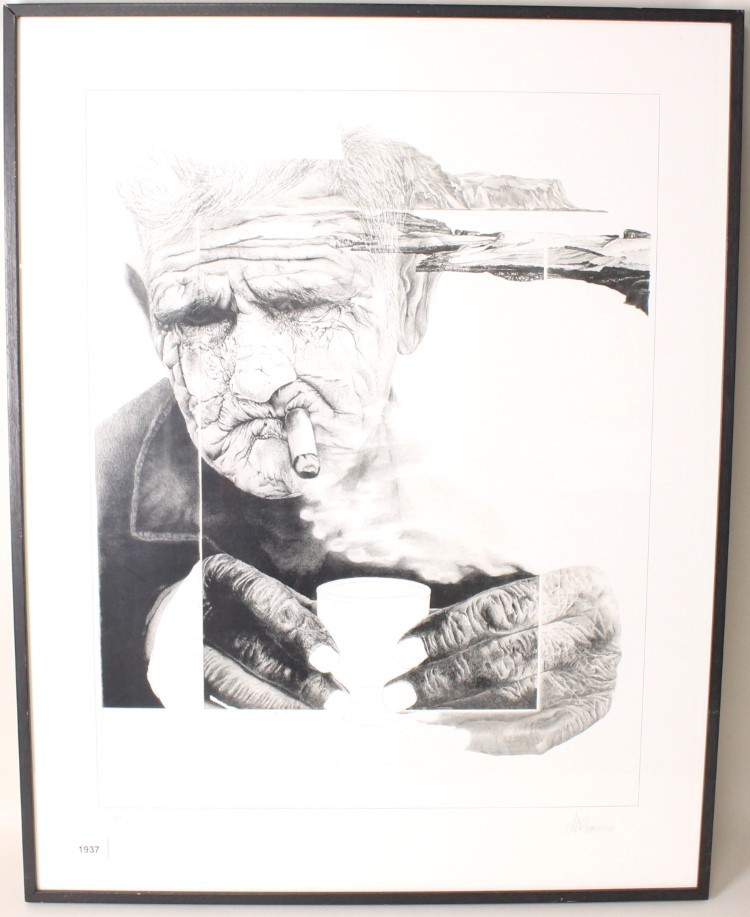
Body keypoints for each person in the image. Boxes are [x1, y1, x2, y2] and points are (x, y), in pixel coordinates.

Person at [96, 131, 621, 755]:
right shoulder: (83, 486)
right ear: (149, 317)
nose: (257, 378)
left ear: (411, 299)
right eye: (198, 317)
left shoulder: (524, 470)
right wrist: (145, 632)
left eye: (303, 305)